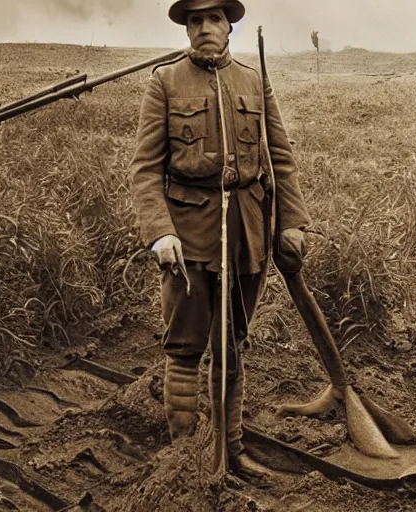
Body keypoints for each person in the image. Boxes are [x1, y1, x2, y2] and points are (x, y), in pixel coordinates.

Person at [130, 0, 311, 483]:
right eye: (195, 20)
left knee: (231, 345)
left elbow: (281, 159)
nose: (205, 28)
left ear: (230, 25)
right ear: (187, 29)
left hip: (248, 232)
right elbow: (145, 170)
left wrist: (290, 222)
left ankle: (232, 450)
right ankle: (187, 459)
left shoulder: (254, 80)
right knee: (186, 348)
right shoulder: (164, 82)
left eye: (214, 19)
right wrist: (161, 232)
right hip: (187, 238)